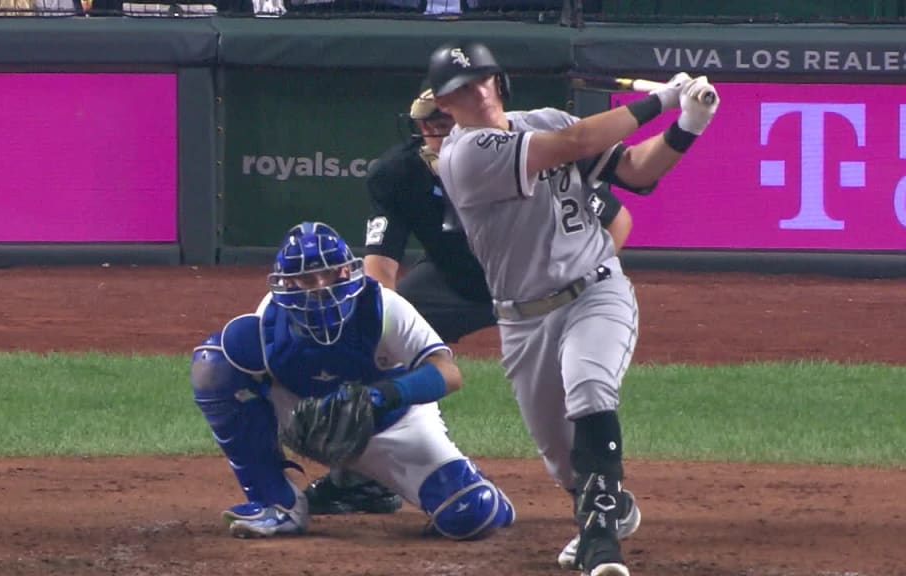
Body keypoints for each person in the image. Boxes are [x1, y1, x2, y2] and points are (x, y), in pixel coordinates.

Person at [428, 42, 719, 575]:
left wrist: (690, 124)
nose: (476, 93)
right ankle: (608, 507)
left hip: (595, 289)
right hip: (522, 320)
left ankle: (600, 543)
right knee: (565, 463)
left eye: (482, 80)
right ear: (445, 105)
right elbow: (574, 141)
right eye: (459, 90)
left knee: (589, 386)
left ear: (498, 81)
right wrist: (662, 100)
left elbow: (635, 170)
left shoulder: (545, 119)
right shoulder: (464, 153)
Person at [305, 81, 635, 516]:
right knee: (372, 332)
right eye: (430, 125)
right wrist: (380, 333)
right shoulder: (398, 175)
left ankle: (594, 492)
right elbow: (380, 268)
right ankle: (361, 478)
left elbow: (618, 218)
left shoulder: (523, 154)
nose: (439, 134)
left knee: (570, 386)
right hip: (457, 285)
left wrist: (571, 272)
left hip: (538, 285)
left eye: (447, 123)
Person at [189, 220, 515, 541]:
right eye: (305, 278)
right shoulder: (270, 319)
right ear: (285, 285)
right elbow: (243, 385)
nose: (319, 285)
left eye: (328, 272)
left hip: (392, 424)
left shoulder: (384, 307)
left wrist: (380, 396)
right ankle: (276, 502)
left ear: (347, 270)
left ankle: (470, 490)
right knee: (212, 364)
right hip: (308, 412)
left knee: (473, 513)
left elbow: (448, 373)